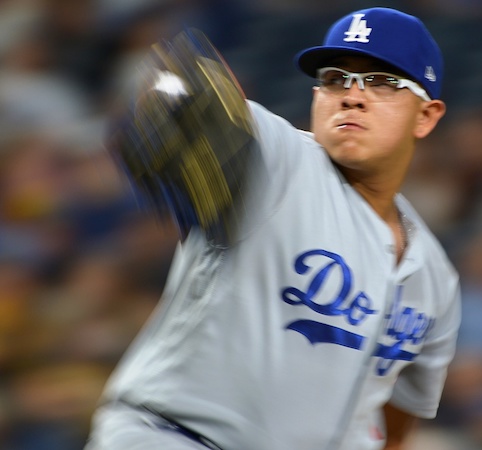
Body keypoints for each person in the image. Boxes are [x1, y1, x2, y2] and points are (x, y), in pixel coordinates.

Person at [85, 7, 461, 450]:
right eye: (336, 79)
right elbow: (176, 91)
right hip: (174, 437)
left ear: (427, 115)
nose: (352, 96)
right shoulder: (278, 157)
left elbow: (395, 424)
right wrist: (167, 96)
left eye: (382, 82)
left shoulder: (435, 279)